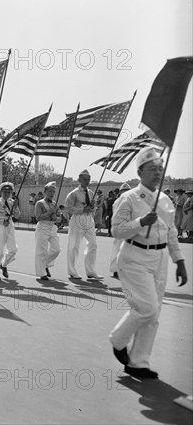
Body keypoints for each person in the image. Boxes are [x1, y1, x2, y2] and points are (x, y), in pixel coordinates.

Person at [109, 147, 187, 379]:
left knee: (154, 314)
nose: (157, 173)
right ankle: (118, 339)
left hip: (159, 258)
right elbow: (116, 230)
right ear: (140, 172)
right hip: (135, 257)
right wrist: (141, 222)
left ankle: (138, 362)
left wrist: (179, 260)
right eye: (152, 169)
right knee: (147, 308)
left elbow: (171, 232)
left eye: (160, 169)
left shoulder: (165, 200)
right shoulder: (129, 198)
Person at [65, 169, 103, 280]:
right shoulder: (74, 193)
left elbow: (93, 209)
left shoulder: (91, 193)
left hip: (89, 219)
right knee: (74, 246)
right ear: (79, 180)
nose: (87, 182)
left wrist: (92, 207)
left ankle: (91, 271)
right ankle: (72, 271)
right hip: (78, 219)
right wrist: (82, 209)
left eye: (88, 180)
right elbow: (68, 208)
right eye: (85, 179)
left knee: (93, 244)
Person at [0, 182, 20, 280]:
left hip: (10, 226)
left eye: (9, 192)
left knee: (13, 250)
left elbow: (17, 216)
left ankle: (4, 264)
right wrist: (1, 222)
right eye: (4, 192)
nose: (6, 194)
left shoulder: (12, 202)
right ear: (0, 192)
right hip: (0, 227)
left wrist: (16, 207)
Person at [34, 182, 61, 280]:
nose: (52, 193)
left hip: (52, 227)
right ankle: (41, 273)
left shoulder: (54, 204)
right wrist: (49, 213)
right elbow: (38, 217)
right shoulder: (40, 203)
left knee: (56, 249)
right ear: (45, 192)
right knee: (41, 250)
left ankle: (45, 264)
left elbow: (59, 218)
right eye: (50, 191)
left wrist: (56, 218)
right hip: (43, 227)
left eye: (53, 191)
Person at [109, 183, 131, 278]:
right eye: (124, 191)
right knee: (117, 248)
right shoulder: (118, 201)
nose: (126, 192)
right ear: (121, 192)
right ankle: (116, 269)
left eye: (128, 190)